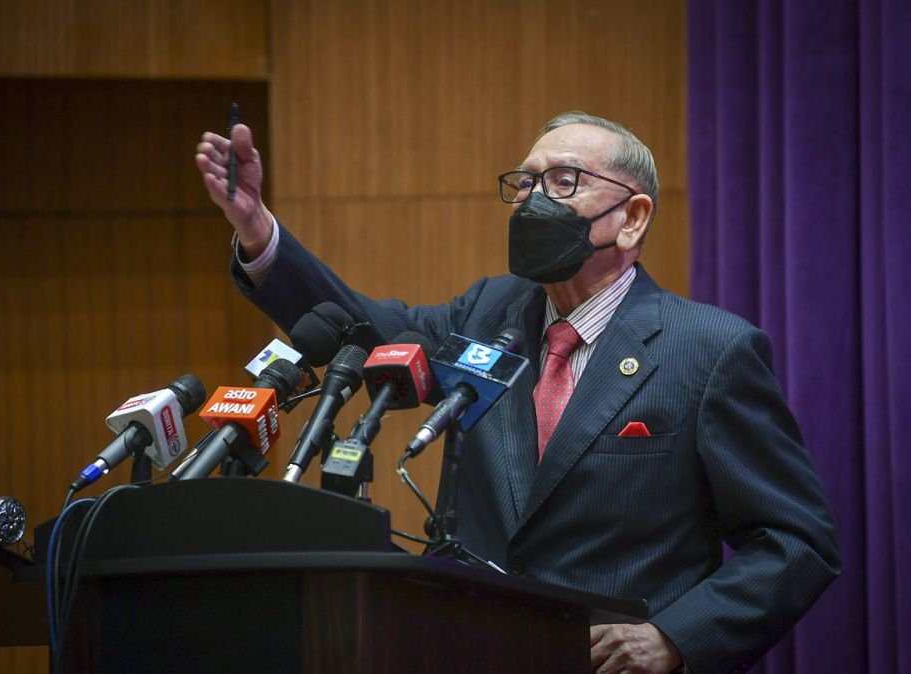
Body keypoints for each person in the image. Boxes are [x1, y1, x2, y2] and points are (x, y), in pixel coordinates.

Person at [195, 111, 840, 674]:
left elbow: (795, 541)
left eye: (563, 182)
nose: (533, 200)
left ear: (632, 218)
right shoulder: (487, 314)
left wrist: (674, 637)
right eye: (524, 183)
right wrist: (257, 230)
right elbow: (357, 329)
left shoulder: (709, 350)